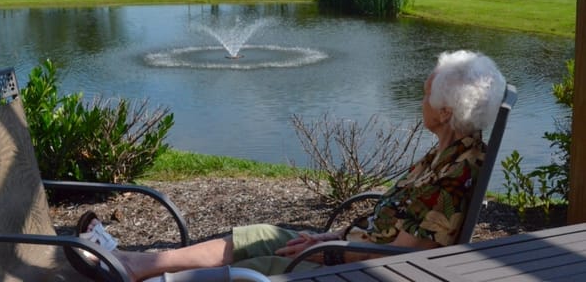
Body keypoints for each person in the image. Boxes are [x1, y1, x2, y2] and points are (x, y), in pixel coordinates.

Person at [73, 49, 507, 281]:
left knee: (258, 270)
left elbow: (407, 256)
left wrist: (331, 248)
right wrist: (331, 235)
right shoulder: (449, 153)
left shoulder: (455, 175)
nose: (420, 98)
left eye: (426, 91)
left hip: (364, 267)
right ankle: (135, 265)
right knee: (262, 235)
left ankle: (133, 274)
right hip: (350, 248)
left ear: (446, 111)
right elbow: (390, 224)